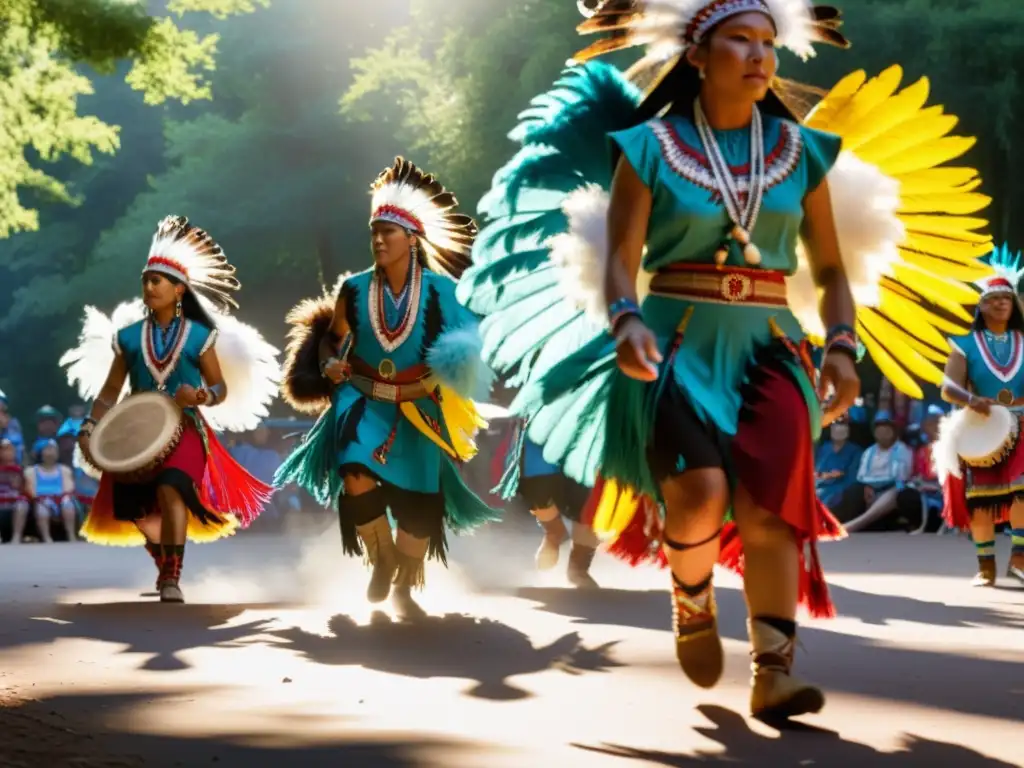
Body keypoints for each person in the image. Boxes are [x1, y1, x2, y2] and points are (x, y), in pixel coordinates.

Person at [459, 0, 990, 720]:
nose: (758, 54)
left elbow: (832, 272)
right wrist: (624, 320)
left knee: (771, 510)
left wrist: (840, 344)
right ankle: (693, 602)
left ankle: (773, 672)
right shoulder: (648, 147)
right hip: (674, 341)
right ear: (698, 56)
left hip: (772, 346)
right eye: (738, 40)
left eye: (768, 41)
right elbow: (619, 258)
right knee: (699, 490)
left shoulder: (802, 153)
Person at [275, 157, 499, 620]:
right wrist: (330, 363)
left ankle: (403, 583)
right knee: (354, 465)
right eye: (374, 231)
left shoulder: (441, 291)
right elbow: (332, 339)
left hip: (420, 405)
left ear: (411, 239)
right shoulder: (353, 289)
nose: (378, 239)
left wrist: (449, 375)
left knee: (419, 508)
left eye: (388, 232)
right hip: (363, 396)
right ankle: (380, 561)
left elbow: (468, 346)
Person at [60, 215, 280, 602]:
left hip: (187, 429)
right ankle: (165, 563)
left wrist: (203, 397)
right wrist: (90, 425)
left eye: (156, 280)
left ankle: (172, 576)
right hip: (134, 432)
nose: (148, 286)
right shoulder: (128, 338)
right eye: (145, 280)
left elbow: (219, 386)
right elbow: (112, 390)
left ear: (179, 290)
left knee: (171, 488)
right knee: (134, 508)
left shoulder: (200, 336)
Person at [935, 244, 1024, 586]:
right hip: (982, 427)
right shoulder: (965, 344)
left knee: (1021, 489)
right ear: (981, 305)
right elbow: (947, 387)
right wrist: (972, 400)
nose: (1002, 303)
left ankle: (1018, 560)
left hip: (1022, 422)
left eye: (1007, 298)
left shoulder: (1023, 339)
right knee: (981, 500)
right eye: (994, 298)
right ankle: (985, 567)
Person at [503, 425, 600, 588]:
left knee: (591, 512)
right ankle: (555, 533)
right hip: (539, 456)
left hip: (584, 450)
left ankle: (578, 569)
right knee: (545, 505)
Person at [841, 411, 914, 532]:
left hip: (892, 488)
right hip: (871, 489)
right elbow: (862, 475)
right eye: (879, 431)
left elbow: (901, 476)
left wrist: (881, 485)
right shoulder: (869, 452)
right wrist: (868, 486)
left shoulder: (902, 450)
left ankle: (856, 524)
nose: (883, 434)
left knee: (897, 491)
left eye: (886, 430)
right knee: (853, 490)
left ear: (893, 432)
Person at [20, 439, 78, 543]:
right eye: (48, 449)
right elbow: (30, 490)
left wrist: (61, 499)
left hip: (60, 499)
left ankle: (71, 535)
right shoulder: (31, 471)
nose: (52, 452)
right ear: (39, 452)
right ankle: (46, 537)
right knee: (42, 509)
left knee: (68, 505)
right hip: (40, 500)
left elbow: (69, 488)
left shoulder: (64, 470)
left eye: (54, 449)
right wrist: (41, 499)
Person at [814, 420, 862, 513]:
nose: (838, 429)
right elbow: (816, 472)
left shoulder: (856, 451)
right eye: (835, 426)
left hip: (840, 491)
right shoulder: (824, 448)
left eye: (842, 425)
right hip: (818, 487)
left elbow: (852, 478)